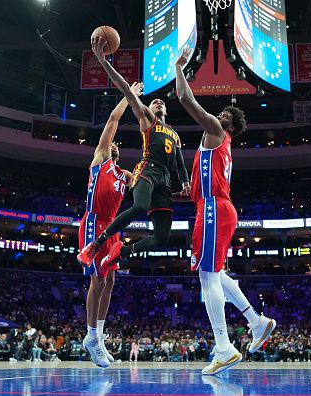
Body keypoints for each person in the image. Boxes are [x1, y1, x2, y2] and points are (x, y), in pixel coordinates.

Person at [174, 47, 275, 375]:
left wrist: (178, 66)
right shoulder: (215, 145)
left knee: (207, 276)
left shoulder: (217, 132)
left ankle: (223, 346)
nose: (218, 116)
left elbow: (185, 99)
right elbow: (193, 192)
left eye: (223, 115)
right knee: (215, 274)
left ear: (225, 123)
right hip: (215, 207)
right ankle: (256, 322)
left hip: (216, 208)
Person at [78, 35, 190, 272]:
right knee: (139, 207)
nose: (158, 101)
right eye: (154, 101)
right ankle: (95, 246)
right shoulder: (148, 120)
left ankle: (123, 252)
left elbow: (180, 165)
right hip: (147, 169)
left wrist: (185, 184)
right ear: (147, 109)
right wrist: (104, 62)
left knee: (161, 239)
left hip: (165, 182)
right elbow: (125, 90)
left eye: (161, 101)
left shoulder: (175, 135)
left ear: (167, 110)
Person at [78, 86, 140, 368]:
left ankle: (98, 337)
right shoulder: (101, 158)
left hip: (113, 228)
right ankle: (91, 336)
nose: (114, 144)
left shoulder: (125, 175)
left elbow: (143, 183)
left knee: (111, 280)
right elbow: (113, 121)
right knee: (98, 280)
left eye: (118, 145)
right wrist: (130, 97)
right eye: (112, 143)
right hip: (94, 223)